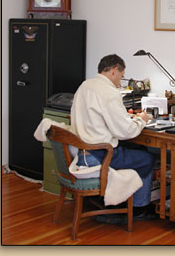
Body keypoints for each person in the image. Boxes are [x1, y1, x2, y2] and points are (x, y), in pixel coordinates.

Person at [70, 54, 158, 223]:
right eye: (121, 77)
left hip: (83, 151)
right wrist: (141, 119)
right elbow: (127, 132)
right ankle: (138, 208)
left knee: (137, 150)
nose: (120, 82)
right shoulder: (108, 92)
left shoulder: (85, 85)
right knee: (148, 158)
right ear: (115, 70)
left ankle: (121, 199)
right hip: (100, 154)